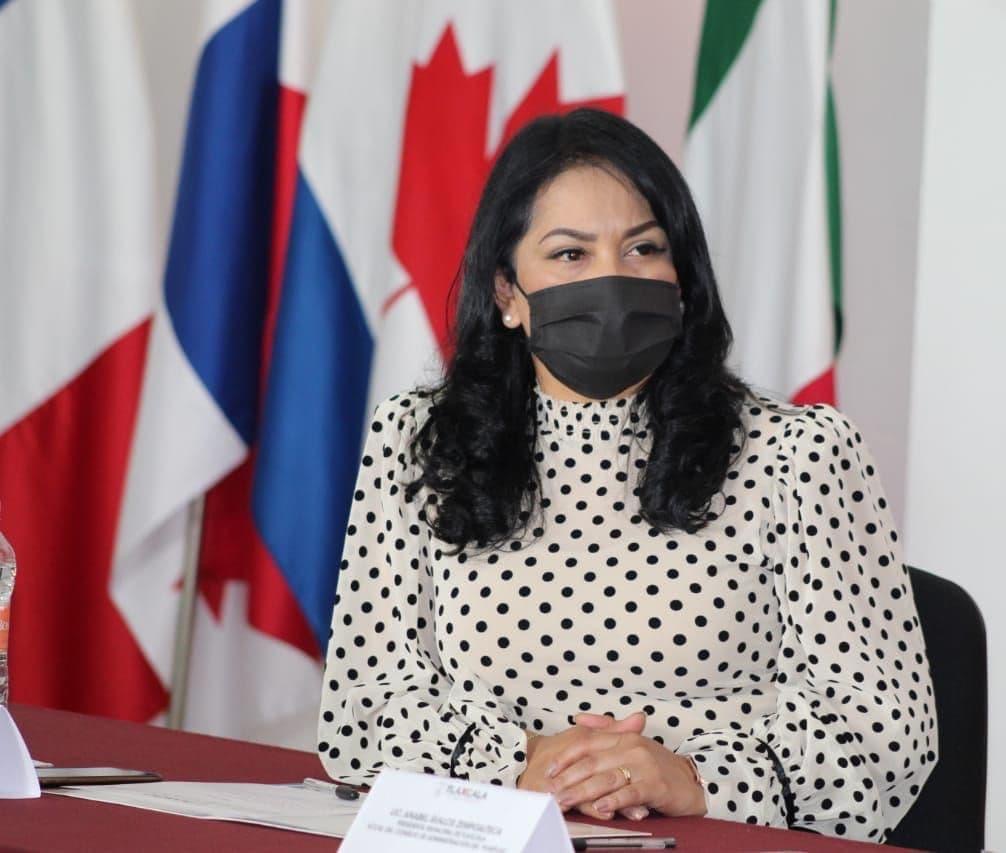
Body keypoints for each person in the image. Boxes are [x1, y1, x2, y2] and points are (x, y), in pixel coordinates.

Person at [317, 108, 936, 842]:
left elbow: (885, 730)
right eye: (570, 255)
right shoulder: (421, 441)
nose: (611, 280)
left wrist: (693, 777)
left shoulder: (799, 453)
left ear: (682, 279)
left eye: (643, 248)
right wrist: (524, 762)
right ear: (508, 293)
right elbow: (364, 708)